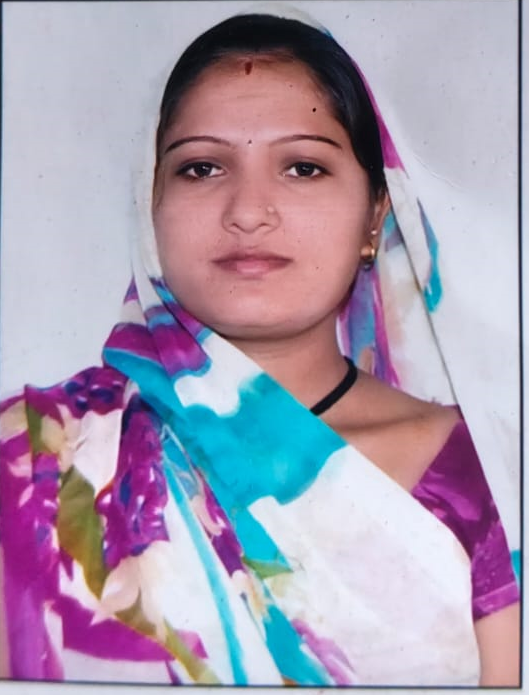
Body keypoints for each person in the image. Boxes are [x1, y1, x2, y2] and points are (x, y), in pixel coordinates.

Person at [0, 8, 520, 686]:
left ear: (374, 215)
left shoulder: (489, 473)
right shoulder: (39, 459)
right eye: (201, 168)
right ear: (150, 206)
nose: (248, 211)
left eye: (302, 167)